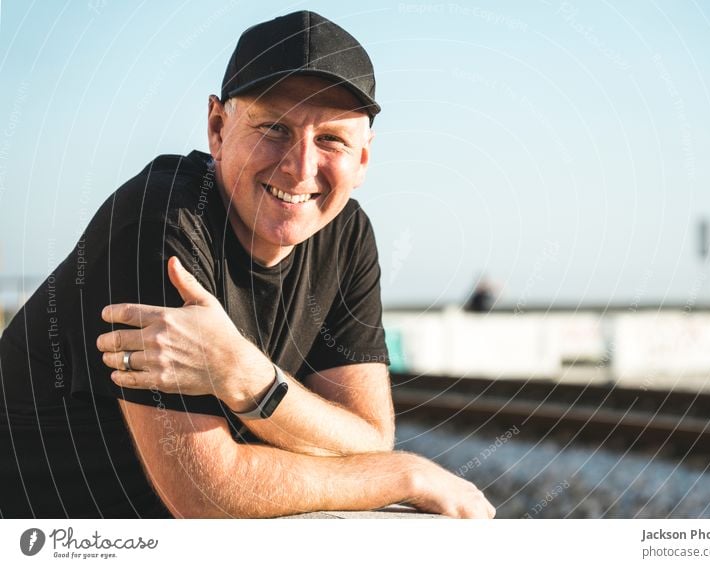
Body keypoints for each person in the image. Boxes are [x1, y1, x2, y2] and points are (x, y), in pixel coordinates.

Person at [0, 11, 494, 519]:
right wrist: (403, 476)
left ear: (363, 159)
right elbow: (206, 494)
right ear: (218, 128)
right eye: (274, 128)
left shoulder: (343, 232)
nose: (300, 168)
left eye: (331, 139)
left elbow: (368, 434)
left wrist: (245, 375)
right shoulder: (158, 224)